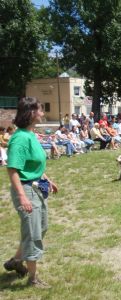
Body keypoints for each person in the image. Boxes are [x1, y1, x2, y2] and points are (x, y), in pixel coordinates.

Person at [3, 97, 58, 288]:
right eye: (40, 110)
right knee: (33, 233)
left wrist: (47, 179)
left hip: (37, 187)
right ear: (32, 113)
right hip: (26, 189)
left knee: (41, 228)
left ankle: (15, 262)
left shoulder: (31, 134)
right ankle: (33, 279)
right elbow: (13, 170)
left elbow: (33, 164)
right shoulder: (19, 138)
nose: (43, 113)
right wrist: (22, 196)